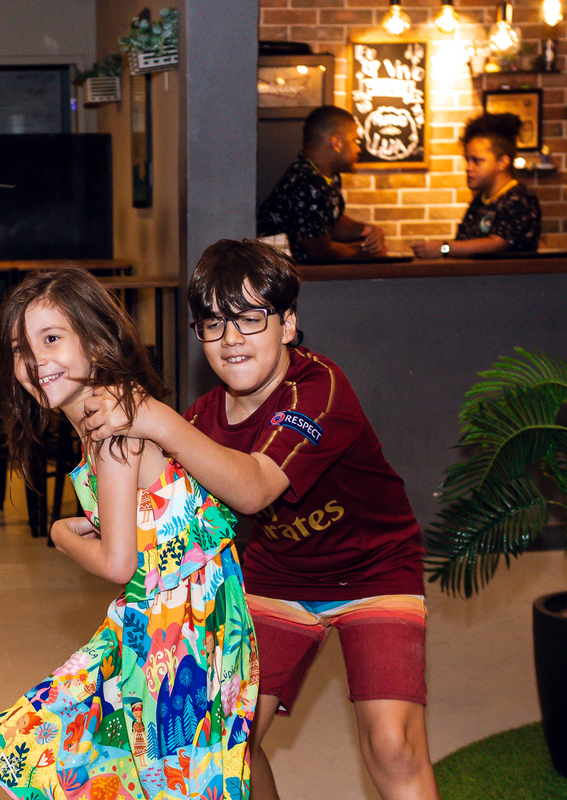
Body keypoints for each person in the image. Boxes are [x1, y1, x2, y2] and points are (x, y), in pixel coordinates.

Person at [83, 240, 439, 800]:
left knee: (393, 745)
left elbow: (253, 489)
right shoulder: (203, 420)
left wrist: (158, 419)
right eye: (213, 324)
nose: (231, 339)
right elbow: (163, 501)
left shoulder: (320, 389)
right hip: (277, 577)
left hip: (374, 571)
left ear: (287, 324)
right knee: (230, 738)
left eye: (250, 318)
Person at [0, 266, 258, 799]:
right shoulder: (102, 414)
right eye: (21, 349)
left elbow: (118, 563)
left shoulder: (112, 427)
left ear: (95, 341)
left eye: (52, 339)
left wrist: (60, 534)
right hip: (174, 617)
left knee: (152, 771)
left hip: (182, 633)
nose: (35, 362)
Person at [257, 105, 386, 263]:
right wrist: (367, 252)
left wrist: (368, 231)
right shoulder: (306, 181)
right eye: (355, 140)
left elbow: (331, 223)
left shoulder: (327, 176)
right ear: (336, 142)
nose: (358, 148)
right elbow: (318, 251)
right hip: (278, 273)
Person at [412, 112, 540, 259]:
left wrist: (444, 248)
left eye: (476, 161)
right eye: (467, 160)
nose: (468, 167)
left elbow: (497, 244)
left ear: (502, 162)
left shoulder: (520, 198)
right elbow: (463, 244)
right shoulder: (480, 201)